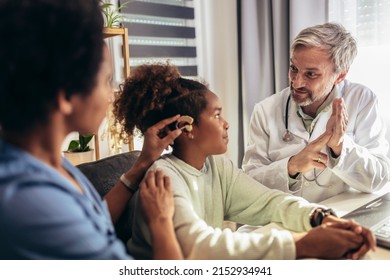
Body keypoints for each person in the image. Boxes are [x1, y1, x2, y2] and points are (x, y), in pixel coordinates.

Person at [113, 62, 375, 260]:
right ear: (186, 127)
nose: (226, 124)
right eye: (217, 116)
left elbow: (270, 202)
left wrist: (320, 218)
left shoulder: (217, 168)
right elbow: (198, 247)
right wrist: (303, 243)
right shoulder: (163, 178)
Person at [0, 0, 183, 260]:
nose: (110, 96)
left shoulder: (49, 163)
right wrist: (162, 221)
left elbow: (92, 222)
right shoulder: (31, 203)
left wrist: (140, 165)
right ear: (65, 94)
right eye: (106, 81)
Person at [242, 22, 390, 203]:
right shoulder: (265, 111)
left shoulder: (361, 100)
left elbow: (379, 179)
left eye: (311, 74)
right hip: (285, 221)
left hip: (339, 216)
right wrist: (291, 166)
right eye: (293, 69)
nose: (296, 83)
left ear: (340, 75)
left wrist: (340, 147)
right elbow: (248, 184)